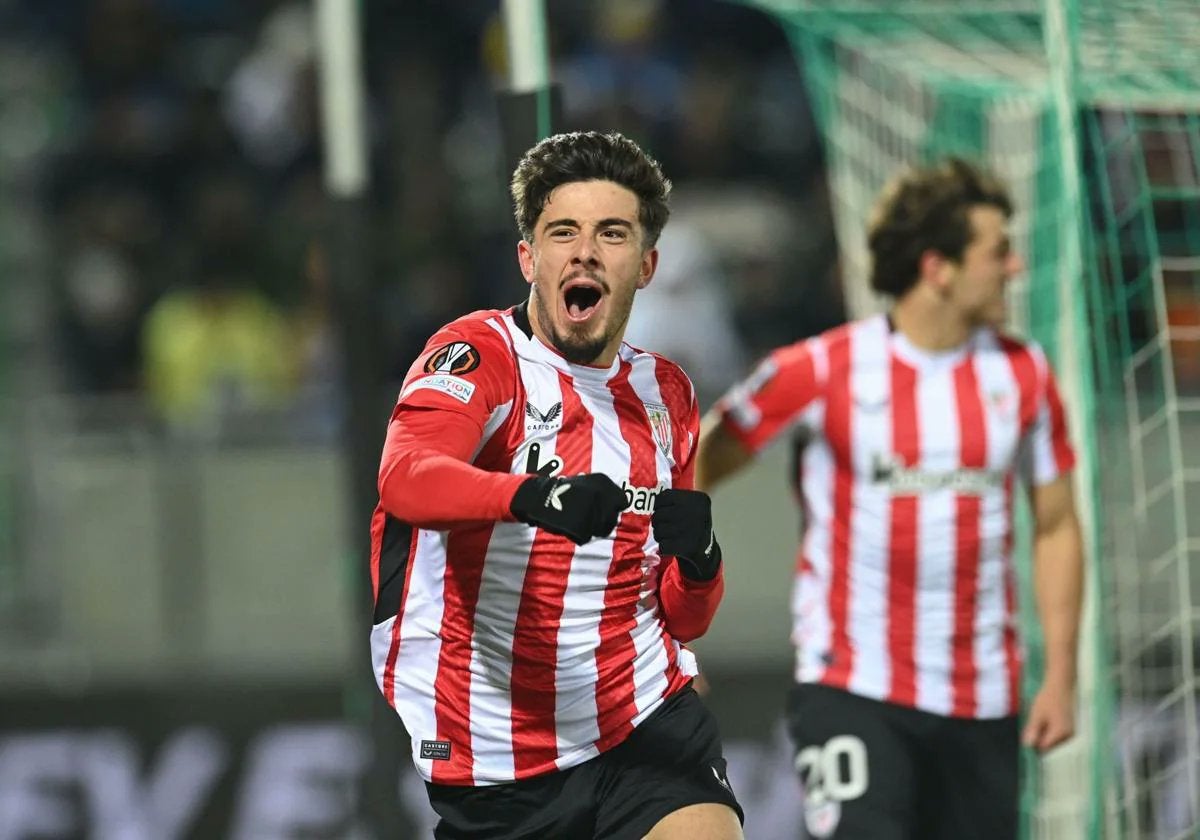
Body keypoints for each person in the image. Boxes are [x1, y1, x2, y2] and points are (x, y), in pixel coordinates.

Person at [369, 131, 745, 840]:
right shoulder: (481, 356)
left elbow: (685, 616)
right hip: (497, 748)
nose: (585, 252)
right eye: (562, 231)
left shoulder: (666, 394)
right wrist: (529, 496)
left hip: (643, 722)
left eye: (612, 233)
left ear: (646, 264)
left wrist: (701, 563)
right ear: (528, 257)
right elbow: (406, 478)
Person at [695, 158, 1084, 839]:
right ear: (939, 267)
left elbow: (1055, 525)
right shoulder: (821, 370)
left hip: (984, 698)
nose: (1015, 268)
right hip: (853, 686)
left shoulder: (1024, 375)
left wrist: (1062, 677)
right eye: (998, 252)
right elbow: (696, 459)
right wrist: (674, 610)